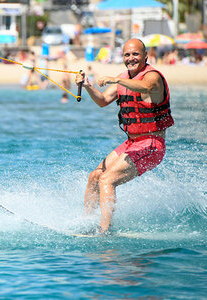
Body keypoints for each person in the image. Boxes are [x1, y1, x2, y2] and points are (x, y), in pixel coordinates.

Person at [75, 38, 174, 234]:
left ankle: (104, 231)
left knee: (107, 180)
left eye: (135, 54)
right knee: (95, 176)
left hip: (152, 145)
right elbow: (103, 100)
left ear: (146, 56)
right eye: (127, 55)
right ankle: (86, 223)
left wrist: (116, 79)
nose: (131, 58)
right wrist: (87, 86)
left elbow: (145, 87)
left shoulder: (152, 76)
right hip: (132, 143)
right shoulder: (123, 78)